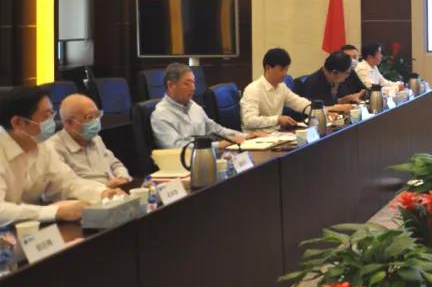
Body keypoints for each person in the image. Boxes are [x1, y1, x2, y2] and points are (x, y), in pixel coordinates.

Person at [0, 86, 124, 224]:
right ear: (18, 122)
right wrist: (56, 212)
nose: (52, 122)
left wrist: (102, 193)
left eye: (51, 114)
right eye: (46, 116)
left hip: (30, 227)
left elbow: (68, 183)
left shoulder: (41, 146)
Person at [241, 48, 353, 131]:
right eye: (282, 70)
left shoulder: (281, 87)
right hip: (255, 138)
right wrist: (277, 119)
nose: (285, 74)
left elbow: (301, 104)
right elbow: (249, 120)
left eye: (286, 69)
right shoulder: (253, 90)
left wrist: (323, 112)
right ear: (268, 68)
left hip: (275, 135)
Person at [152, 62, 248, 149]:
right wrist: (218, 145)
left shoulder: (194, 106)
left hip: (206, 155)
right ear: (171, 86)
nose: (193, 88)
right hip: (184, 160)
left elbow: (216, 129)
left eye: (193, 82)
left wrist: (245, 136)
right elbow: (177, 147)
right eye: (187, 84)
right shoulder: (161, 115)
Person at [45, 94, 132, 188]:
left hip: (117, 191)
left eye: (97, 115)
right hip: (92, 195)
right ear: (69, 123)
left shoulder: (96, 139)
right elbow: (65, 188)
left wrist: (123, 178)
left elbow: (115, 165)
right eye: (89, 117)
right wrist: (104, 188)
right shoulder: (53, 149)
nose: (96, 121)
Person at [295, 51, 367, 106]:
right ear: (334, 73)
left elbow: (363, 90)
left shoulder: (347, 72)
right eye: (347, 73)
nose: (349, 75)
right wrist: (340, 101)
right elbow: (313, 107)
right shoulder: (313, 82)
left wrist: (362, 94)